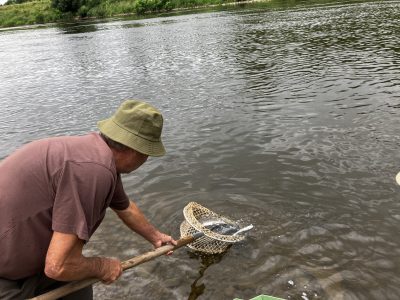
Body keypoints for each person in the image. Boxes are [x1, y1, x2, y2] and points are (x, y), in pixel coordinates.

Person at [0, 100, 177, 299]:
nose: (146, 159)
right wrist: (102, 266)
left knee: (80, 285)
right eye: (147, 154)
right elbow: (58, 266)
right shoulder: (92, 172)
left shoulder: (97, 154)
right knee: (74, 268)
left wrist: (156, 237)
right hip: (6, 278)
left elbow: (125, 208)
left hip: (26, 263)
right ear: (135, 150)